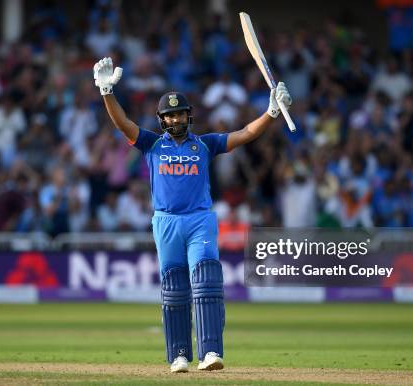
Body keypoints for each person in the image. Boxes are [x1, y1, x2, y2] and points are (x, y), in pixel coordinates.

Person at [93, 57, 291, 373]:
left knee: (206, 281)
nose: (175, 120)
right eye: (169, 116)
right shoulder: (151, 144)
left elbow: (244, 134)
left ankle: (210, 352)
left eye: (180, 114)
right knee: (174, 289)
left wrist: (271, 112)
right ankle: (179, 355)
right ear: (162, 120)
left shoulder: (205, 144)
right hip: (166, 222)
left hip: (200, 219)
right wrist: (106, 91)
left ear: (189, 116)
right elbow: (122, 123)